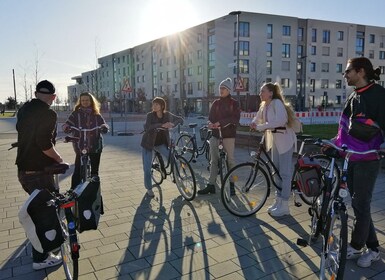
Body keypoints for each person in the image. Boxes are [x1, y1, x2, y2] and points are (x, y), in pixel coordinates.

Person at [333, 57, 385, 268]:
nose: (344, 75)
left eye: (348, 71)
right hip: (351, 158)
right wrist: (335, 145)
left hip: (369, 159)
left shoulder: (380, 95)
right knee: (358, 204)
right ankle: (372, 248)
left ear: (360, 71)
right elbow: (343, 128)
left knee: (361, 203)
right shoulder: (354, 96)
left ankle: (355, 245)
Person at [15, 80, 64, 270]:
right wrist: (59, 159)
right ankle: (41, 258)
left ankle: (41, 246)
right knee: (45, 212)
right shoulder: (49, 113)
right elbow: (44, 143)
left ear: (35, 94)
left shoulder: (24, 109)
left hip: (23, 169)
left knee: (40, 208)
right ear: (53, 97)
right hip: (38, 171)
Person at [250, 82, 297, 217]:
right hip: (275, 141)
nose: (260, 94)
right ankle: (278, 200)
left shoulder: (276, 103)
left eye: (262, 91)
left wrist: (260, 127)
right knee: (275, 171)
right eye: (260, 91)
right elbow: (258, 117)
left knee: (285, 173)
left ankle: (285, 205)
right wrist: (253, 122)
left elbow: (281, 121)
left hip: (285, 141)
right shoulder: (264, 105)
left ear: (270, 93)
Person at [198, 78, 240, 195]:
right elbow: (210, 118)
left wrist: (220, 123)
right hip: (215, 135)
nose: (221, 90)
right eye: (220, 88)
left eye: (224, 88)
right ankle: (211, 185)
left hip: (228, 137)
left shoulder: (234, 103)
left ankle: (232, 185)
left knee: (230, 161)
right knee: (213, 161)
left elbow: (235, 119)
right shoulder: (216, 103)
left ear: (229, 90)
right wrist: (210, 124)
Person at [62, 92, 109, 189]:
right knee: (77, 170)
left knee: (95, 171)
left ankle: (95, 190)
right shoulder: (75, 114)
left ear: (91, 101)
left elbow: (103, 124)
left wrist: (104, 127)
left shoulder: (96, 114)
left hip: (95, 144)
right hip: (80, 144)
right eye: (83, 100)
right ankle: (73, 192)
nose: (85, 102)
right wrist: (66, 127)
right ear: (80, 101)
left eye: (87, 100)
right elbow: (67, 123)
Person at [140, 97, 184, 197]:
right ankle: (149, 188)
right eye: (153, 104)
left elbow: (180, 119)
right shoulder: (150, 115)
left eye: (156, 104)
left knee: (173, 159)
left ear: (162, 106)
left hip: (160, 143)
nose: (154, 106)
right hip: (148, 144)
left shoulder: (167, 114)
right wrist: (162, 125)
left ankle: (176, 177)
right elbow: (147, 127)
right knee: (147, 169)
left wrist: (172, 124)